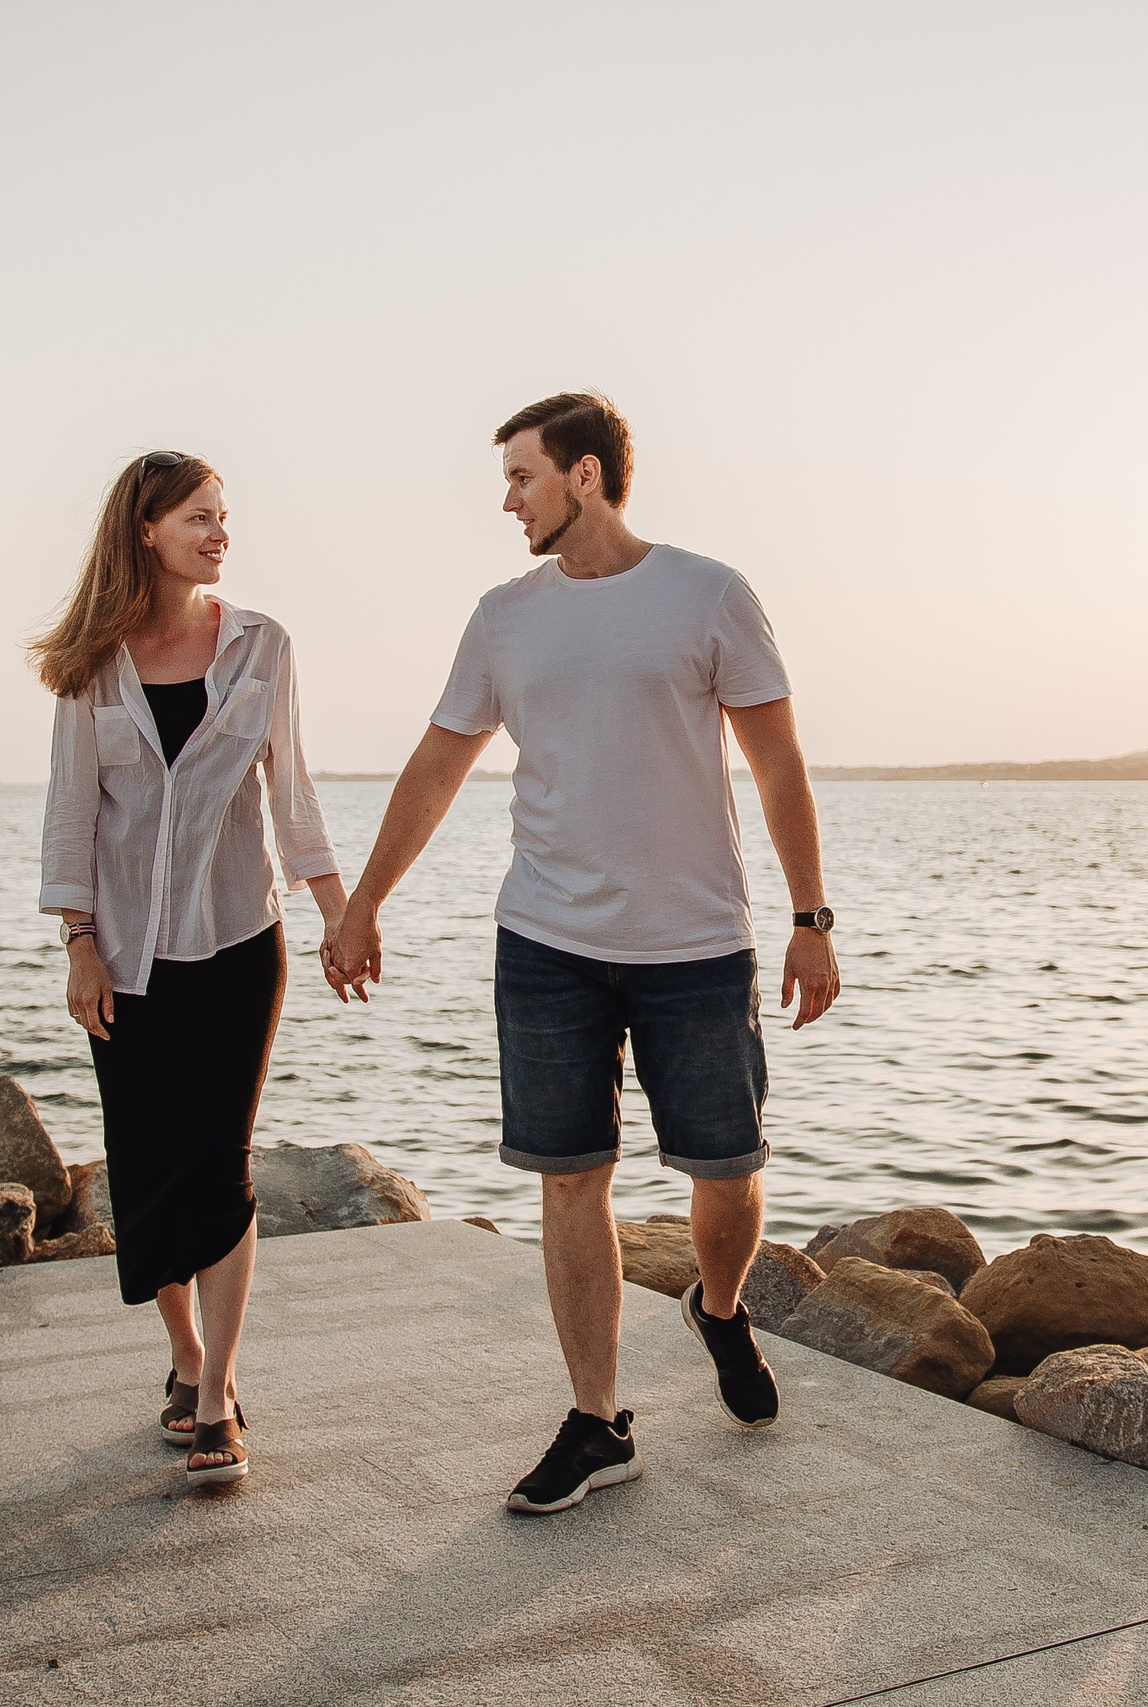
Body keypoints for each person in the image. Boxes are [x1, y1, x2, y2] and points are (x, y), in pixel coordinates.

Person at [330, 392, 840, 1515]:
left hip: (696, 941)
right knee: (572, 1177)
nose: (507, 500)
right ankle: (598, 1420)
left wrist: (810, 920)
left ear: (588, 476)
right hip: (547, 940)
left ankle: (716, 1306)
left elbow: (777, 764)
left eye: (522, 477)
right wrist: (363, 902)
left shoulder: (707, 594)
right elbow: (435, 766)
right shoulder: (503, 616)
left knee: (725, 1173)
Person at [33, 450, 353, 1488]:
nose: (220, 534)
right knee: (145, 1175)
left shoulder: (262, 647)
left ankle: (217, 1393)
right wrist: (78, 942)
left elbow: (290, 790)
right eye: (199, 518)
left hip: (235, 946)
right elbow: (70, 815)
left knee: (219, 1165)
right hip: (124, 958)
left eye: (225, 518)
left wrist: (339, 913)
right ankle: (181, 1354)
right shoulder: (93, 662)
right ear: (146, 529)